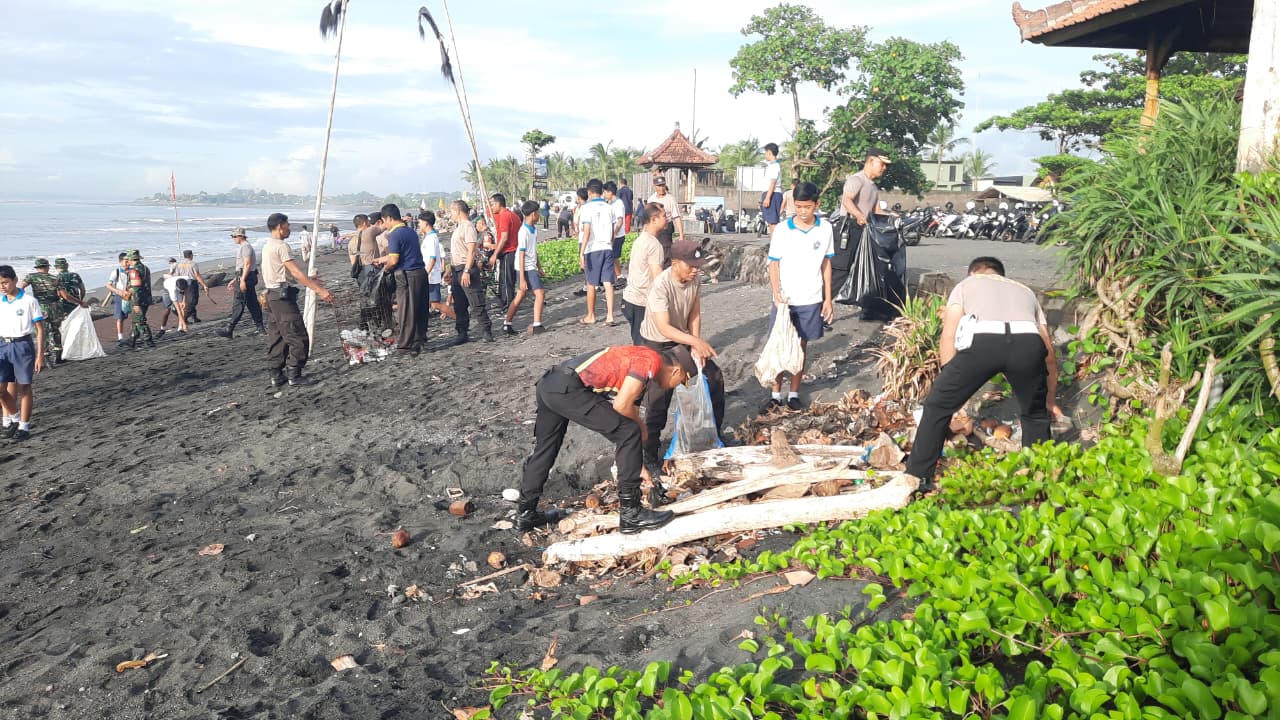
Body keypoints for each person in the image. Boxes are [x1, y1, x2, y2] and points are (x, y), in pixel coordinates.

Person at [905, 257, 1063, 495]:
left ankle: (918, 477)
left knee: (937, 407)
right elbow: (1048, 350)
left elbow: (949, 335)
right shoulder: (1025, 291)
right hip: (1028, 343)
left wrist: (950, 383)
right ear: (1001, 275)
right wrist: (1049, 400)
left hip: (984, 341)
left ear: (973, 273)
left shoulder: (966, 285)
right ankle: (1037, 480)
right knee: (1035, 415)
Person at [515, 344, 698, 533]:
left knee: (546, 449)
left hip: (550, 384)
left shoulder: (642, 364)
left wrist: (637, 466)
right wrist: (640, 428)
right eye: (681, 381)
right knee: (630, 431)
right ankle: (631, 513)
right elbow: (621, 406)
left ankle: (526, 513)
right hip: (568, 387)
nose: (675, 387)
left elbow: (628, 414)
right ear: (676, 371)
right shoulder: (650, 360)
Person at [639, 240, 726, 465]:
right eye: (691, 265)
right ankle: (649, 453)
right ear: (675, 263)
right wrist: (694, 340)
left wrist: (695, 345)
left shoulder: (694, 278)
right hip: (658, 343)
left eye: (697, 265)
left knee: (713, 377)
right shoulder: (660, 286)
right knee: (659, 398)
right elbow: (664, 327)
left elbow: (694, 311)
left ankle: (713, 433)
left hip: (683, 338)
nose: (696, 269)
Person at [766, 181, 835, 410]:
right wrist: (776, 293)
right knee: (779, 344)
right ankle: (775, 395)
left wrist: (827, 299)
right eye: (798, 207)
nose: (803, 212)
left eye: (807, 206)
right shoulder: (783, 230)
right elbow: (773, 264)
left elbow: (826, 264)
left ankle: (793, 393)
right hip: (785, 299)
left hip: (811, 298)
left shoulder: (825, 229)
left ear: (817, 204)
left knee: (801, 346)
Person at [261, 213, 334, 387]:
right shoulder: (281, 246)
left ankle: (276, 374)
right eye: (288, 225)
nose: (290, 228)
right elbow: (295, 271)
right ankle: (294, 374)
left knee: (278, 337)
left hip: (272, 295)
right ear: (280, 226)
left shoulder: (267, 245)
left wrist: (309, 280)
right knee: (298, 337)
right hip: (281, 298)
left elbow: (286, 273)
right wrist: (319, 290)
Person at [837, 147, 902, 322]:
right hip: (850, 228)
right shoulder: (857, 180)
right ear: (871, 161)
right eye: (882, 164)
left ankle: (869, 310)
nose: (884, 168)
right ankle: (822, 309)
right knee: (841, 270)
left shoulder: (873, 187)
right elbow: (847, 200)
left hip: (866, 230)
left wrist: (891, 216)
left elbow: (876, 210)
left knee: (872, 269)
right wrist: (858, 215)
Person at [371, 204, 429, 355]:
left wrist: (386, 268)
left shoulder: (394, 235)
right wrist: (382, 259)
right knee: (420, 308)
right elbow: (402, 254)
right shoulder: (410, 231)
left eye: (384, 221)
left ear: (389, 218)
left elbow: (395, 260)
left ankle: (405, 345)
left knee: (406, 310)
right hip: (420, 273)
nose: (384, 224)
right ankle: (419, 340)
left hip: (407, 275)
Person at [0, 265, 45, 441]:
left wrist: (40, 355)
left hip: (22, 345)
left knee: (24, 387)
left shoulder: (29, 301)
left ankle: (24, 427)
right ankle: (14, 418)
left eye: (5, 282)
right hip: (3, 345)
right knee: (2, 390)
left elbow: (40, 330)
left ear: (15, 280)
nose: (2, 286)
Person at [447, 200, 494, 345]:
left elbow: (471, 250)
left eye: (452, 212)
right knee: (459, 304)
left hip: (466, 268)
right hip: (457, 269)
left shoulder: (467, 227)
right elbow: (457, 251)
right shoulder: (459, 227)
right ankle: (462, 332)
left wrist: (467, 270)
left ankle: (486, 330)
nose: (451, 215)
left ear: (458, 211)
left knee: (476, 301)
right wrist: (450, 269)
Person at [621, 203, 667, 345]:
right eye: (664, 216)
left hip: (630, 299)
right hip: (640, 302)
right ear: (654, 219)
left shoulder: (642, 239)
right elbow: (657, 278)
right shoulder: (654, 245)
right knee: (644, 347)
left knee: (640, 343)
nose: (667, 219)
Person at [577, 178, 618, 325]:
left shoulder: (586, 208)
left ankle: (591, 315)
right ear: (601, 191)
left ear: (589, 192)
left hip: (592, 248)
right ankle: (610, 316)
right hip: (607, 247)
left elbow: (586, 231)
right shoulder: (609, 207)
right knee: (608, 282)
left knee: (591, 283)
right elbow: (613, 231)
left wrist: (581, 252)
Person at [19, 258, 75, 363]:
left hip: (39, 307)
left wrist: (23, 300)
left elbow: (21, 288)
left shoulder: (31, 277)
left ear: (37, 268)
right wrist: (79, 302)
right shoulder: (55, 278)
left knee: (41, 331)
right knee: (56, 330)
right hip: (55, 306)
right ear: (48, 267)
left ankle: (45, 356)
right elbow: (65, 295)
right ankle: (58, 356)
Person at [503, 200, 546, 335]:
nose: (539, 215)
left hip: (530, 266)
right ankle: (537, 324)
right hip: (525, 267)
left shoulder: (533, 229)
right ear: (533, 214)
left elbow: (533, 251)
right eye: (538, 212)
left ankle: (507, 323)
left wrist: (539, 267)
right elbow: (521, 255)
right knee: (540, 293)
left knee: (521, 295)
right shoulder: (524, 232)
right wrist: (522, 278)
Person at [218, 227, 265, 339]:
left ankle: (229, 329)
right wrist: (235, 279)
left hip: (245, 277)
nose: (233, 239)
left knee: (239, 303)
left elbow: (247, 264)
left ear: (240, 236)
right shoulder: (245, 247)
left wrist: (242, 280)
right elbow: (244, 266)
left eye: (234, 236)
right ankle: (261, 328)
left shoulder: (245, 247)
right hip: (245, 276)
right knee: (252, 303)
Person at [417, 211, 455, 322]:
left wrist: (425, 273)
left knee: (435, 304)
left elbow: (432, 258)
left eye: (420, 223)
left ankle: (459, 320)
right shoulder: (429, 237)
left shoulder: (431, 238)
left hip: (431, 276)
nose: (419, 225)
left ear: (426, 223)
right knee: (428, 303)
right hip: (430, 275)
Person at [488, 194, 522, 314]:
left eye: (492, 204)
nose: (491, 207)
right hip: (513, 250)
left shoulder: (505, 216)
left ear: (498, 204)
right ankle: (507, 304)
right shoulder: (512, 215)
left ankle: (508, 307)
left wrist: (495, 254)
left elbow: (504, 238)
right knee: (507, 280)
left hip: (509, 251)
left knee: (506, 281)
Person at [120, 250, 154, 348]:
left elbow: (136, 288)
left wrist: (136, 303)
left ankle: (148, 340)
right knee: (135, 320)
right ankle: (132, 339)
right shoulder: (145, 268)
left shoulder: (134, 271)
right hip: (146, 298)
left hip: (139, 299)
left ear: (131, 259)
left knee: (140, 321)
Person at [647, 176, 684, 266]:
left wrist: (681, 235)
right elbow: (647, 217)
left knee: (666, 251)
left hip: (666, 228)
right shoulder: (651, 199)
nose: (661, 188)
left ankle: (666, 272)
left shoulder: (670, 199)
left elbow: (677, 217)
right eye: (659, 186)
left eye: (663, 185)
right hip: (654, 228)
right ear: (655, 187)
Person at [172, 250, 210, 323]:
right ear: (191, 255)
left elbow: (176, 275)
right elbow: (197, 275)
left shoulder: (179, 264)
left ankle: (194, 317)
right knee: (193, 301)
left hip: (181, 283)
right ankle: (184, 318)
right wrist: (204, 285)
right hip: (191, 283)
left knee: (188, 301)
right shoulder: (193, 264)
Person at [603, 181, 628, 287]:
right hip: (613, 235)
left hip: (617, 236)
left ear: (610, 192)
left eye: (605, 192)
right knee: (613, 257)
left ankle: (619, 277)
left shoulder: (618, 203)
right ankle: (617, 277)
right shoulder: (611, 203)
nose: (604, 194)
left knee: (613, 257)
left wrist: (614, 235)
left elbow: (620, 221)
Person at [104, 253, 132, 345]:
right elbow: (108, 285)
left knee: (134, 315)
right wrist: (118, 291)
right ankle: (120, 337)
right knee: (120, 317)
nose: (128, 263)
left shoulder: (132, 271)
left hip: (131, 295)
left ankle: (133, 334)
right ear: (120, 262)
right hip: (120, 296)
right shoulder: (116, 272)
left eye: (129, 261)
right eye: (126, 261)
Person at [760, 143, 783, 235]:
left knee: (773, 223)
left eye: (765, 153)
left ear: (769, 153)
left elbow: (773, 183)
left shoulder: (774, 166)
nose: (765, 155)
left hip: (773, 194)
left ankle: (775, 245)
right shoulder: (772, 166)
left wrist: (768, 197)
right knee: (770, 223)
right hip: (772, 194)